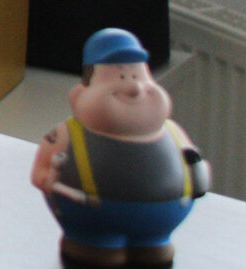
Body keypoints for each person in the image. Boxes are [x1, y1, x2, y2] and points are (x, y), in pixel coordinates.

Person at [32, 28, 211, 267]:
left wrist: (199, 177)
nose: (134, 88)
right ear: (79, 94)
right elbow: (40, 171)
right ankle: (94, 246)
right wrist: (46, 178)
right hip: (92, 227)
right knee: (94, 258)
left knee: (153, 259)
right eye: (121, 77)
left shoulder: (173, 131)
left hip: (159, 230)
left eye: (138, 76)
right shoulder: (67, 134)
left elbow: (193, 159)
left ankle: (152, 246)